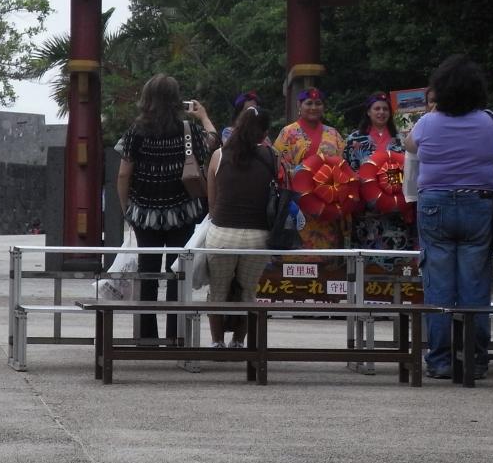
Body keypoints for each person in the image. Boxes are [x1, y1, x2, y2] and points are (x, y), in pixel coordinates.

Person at [404, 55, 493, 380]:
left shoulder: (428, 122)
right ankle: (475, 359)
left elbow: (409, 145)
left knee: (439, 284)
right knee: (475, 284)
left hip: (435, 205)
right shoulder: (490, 121)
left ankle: (441, 360)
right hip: (479, 204)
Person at [116, 75, 216, 341]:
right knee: (177, 273)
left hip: (144, 213)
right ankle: (176, 336)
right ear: (176, 99)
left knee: (147, 273)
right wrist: (203, 116)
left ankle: (146, 338)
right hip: (182, 211)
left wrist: (126, 208)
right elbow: (213, 142)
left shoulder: (135, 132)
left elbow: (124, 173)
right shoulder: (188, 129)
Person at [205, 106, 275, 348]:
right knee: (248, 292)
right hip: (258, 235)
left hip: (222, 233)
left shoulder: (219, 155)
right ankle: (238, 341)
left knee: (218, 291)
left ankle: (217, 342)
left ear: (236, 127)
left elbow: (212, 202)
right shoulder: (272, 157)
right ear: (264, 133)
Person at [345, 92, 417, 260]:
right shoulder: (354, 139)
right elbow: (347, 169)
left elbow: (411, 171)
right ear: (368, 112)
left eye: (385, 109)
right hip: (366, 207)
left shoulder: (401, 139)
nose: (381, 112)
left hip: (396, 205)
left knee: (397, 254)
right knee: (366, 256)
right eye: (376, 108)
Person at [273, 88, 346, 250]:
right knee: (296, 253)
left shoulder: (333, 134)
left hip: (326, 203)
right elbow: (279, 168)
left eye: (318, 103)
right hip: (296, 204)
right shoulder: (288, 133)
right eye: (309, 103)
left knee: (326, 254)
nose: (314, 107)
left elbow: (343, 167)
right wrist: (302, 174)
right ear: (299, 105)